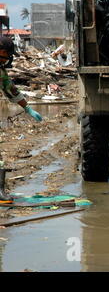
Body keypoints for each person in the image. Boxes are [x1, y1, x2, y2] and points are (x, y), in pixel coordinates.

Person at [0, 36, 43, 201]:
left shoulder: (1, 72)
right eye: (6, 53)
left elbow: (12, 90)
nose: (7, 58)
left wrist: (28, 108)